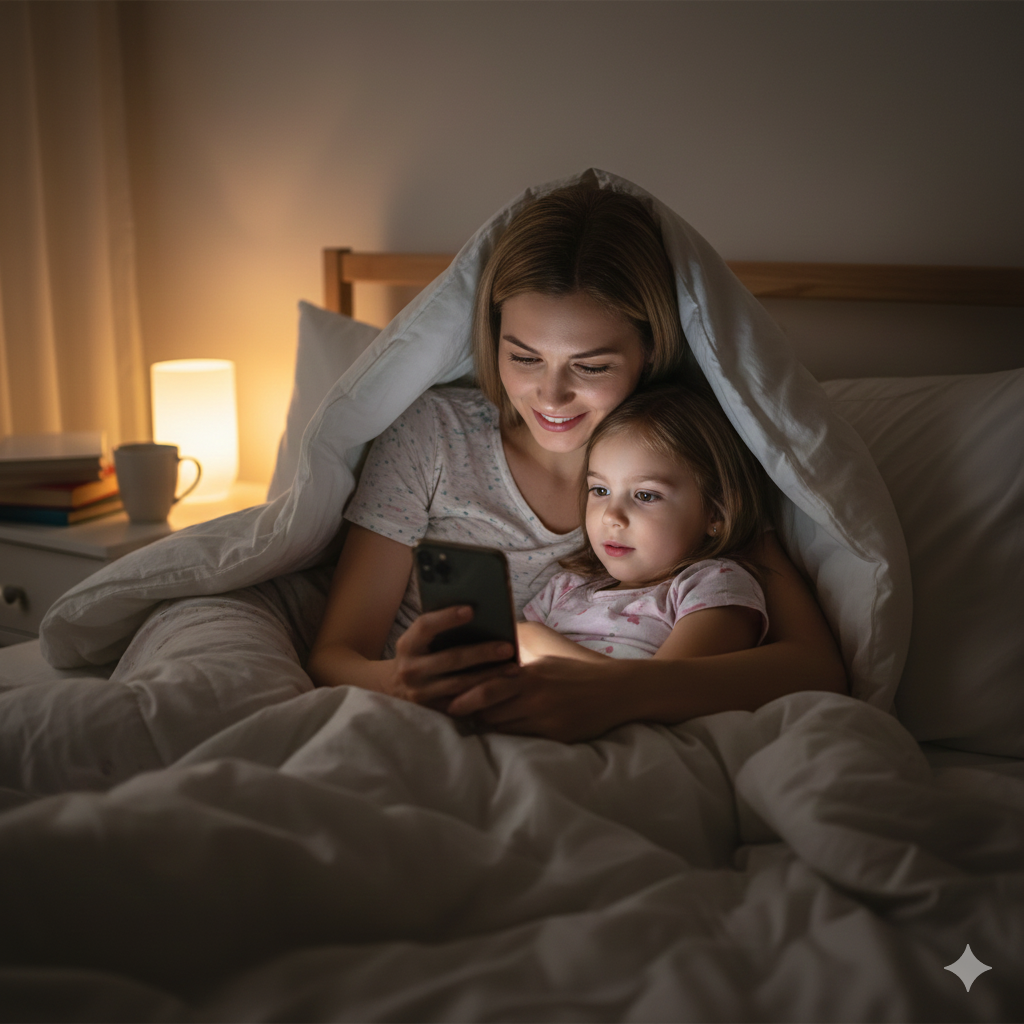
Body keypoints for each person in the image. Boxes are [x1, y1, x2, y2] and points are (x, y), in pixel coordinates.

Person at [307, 183, 847, 742]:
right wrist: (401, 683)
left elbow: (817, 668)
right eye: (523, 357)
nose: (550, 397)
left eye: (590, 367)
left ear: (652, 351)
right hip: (424, 726)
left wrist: (616, 694)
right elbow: (334, 657)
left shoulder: (683, 459)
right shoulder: (431, 435)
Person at [517, 385, 772, 666]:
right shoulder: (565, 587)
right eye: (600, 491)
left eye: (645, 495)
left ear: (716, 514)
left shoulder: (712, 585)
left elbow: (663, 689)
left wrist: (539, 645)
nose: (611, 516)